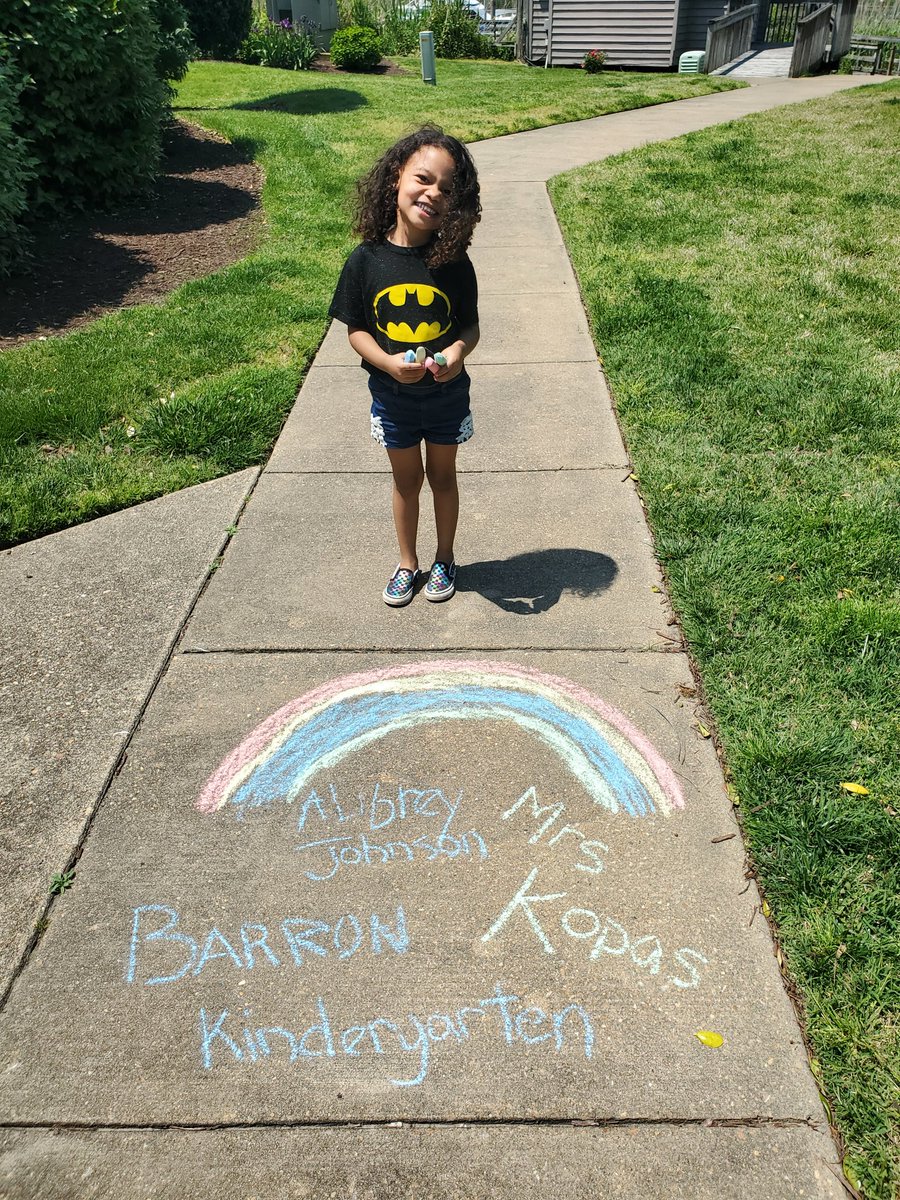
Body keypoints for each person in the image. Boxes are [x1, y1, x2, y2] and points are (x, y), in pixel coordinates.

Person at [329, 126, 481, 607]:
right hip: (392, 397)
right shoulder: (366, 259)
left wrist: (457, 353)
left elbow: (470, 327)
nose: (433, 193)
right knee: (405, 480)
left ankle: (445, 558)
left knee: (442, 476)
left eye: (447, 190)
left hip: (445, 395)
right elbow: (355, 330)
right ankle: (407, 563)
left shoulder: (452, 261)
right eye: (423, 179)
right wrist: (389, 365)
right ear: (396, 177)